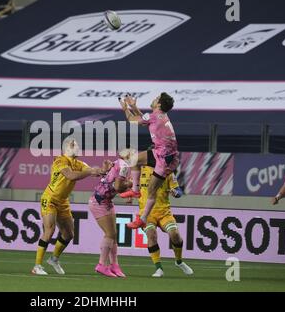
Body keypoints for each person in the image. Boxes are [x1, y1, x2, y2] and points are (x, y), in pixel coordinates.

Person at [32, 138, 111, 275]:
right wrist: (91, 172)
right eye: (74, 145)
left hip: (63, 201)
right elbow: (71, 176)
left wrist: (103, 170)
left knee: (69, 234)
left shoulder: (79, 163)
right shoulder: (60, 160)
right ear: (67, 148)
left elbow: (92, 170)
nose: (78, 147)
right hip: (50, 198)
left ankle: (54, 259)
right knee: (49, 230)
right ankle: (37, 266)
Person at [118, 93, 179, 229]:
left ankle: (143, 219)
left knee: (152, 190)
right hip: (160, 152)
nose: (153, 99)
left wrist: (126, 109)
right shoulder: (160, 116)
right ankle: (135, 190)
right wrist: (134, 106)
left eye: (156, 98)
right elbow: (146, 121)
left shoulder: (154, 116)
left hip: (165, 159)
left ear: (158, 104)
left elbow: (133, 121)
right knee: (134, 160)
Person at [89, 148, 137, 277]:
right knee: (110, 234)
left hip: (105, 201)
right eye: (133, 154)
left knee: (113, 235)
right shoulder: (125, 166)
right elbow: (118, 187)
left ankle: (114, 265)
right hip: (99, 202)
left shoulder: (118, 163)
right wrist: (130, 184)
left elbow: (113, 183)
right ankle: (101, 265)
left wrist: (129, 191)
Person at [138, 166, 193, 277]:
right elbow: (131, 184)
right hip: (147, 213)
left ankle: (179, 261)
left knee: (175, 234)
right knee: (151, 234)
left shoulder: (167, 171)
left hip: (164, 212)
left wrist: (175, 193)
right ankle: (159, 269)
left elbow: (178, 191)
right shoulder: (141, 170)